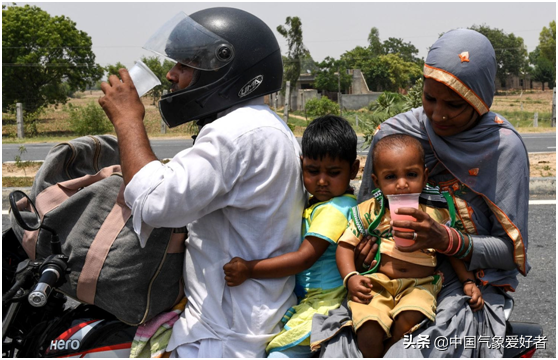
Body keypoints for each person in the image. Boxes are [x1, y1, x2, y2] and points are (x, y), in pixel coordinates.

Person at [98, 8, 306, 358]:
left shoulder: (237, 133)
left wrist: (128, 121)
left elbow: (154, 202)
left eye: (185, 65)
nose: (171, 74)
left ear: (224, 67)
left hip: (224, 336)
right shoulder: (259, 125)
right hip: (241, 318)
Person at [311, 28, 530, 358]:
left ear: (480, 98)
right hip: (383, 278)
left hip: (462, 284)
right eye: (429, 99)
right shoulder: (395, 135)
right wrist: (363, 254)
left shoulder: (503, 148)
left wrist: (447, 240)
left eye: (455, 104)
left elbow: (509, 250)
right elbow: (367, 217)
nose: (438, 114)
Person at [223, 115, 360, 358]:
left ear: (354, 170)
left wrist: (249, 269)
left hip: (323, 305)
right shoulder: (319, 204)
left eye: (333, 172)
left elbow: (303, 259)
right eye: (312, 170)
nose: (321, 181)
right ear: (301, 165)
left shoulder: (335, 209)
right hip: (314, 302)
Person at [336, 134, 484, 357]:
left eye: (411, 175)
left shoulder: (436, 211)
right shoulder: (372, 210)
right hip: (377, 284)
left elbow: (450, 249)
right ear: (377, 182)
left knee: (409, 320)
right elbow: (345, 245)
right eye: (391, 177)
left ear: (425, 176)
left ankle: (389, 349)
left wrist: (468, 280)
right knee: (368, 331)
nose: (402, 184)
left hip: (420, 284)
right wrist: (351, 277)